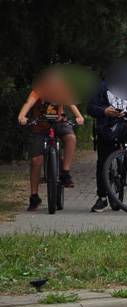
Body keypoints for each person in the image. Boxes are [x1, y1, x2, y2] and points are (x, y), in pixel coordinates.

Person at [17, 72, 85, 211]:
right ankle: (34, 197)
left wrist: (79, 117)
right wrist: (22, 116)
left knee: (71, 138)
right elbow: (28, 103)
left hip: (58, 123)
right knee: (36, 161)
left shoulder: (63, 90)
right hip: (40, 126)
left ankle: (65, 172)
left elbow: (72, 105)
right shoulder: (38, 91)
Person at [87, 74, 127, 212]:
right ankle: (102, 197)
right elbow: (91, 108)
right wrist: (104, 111)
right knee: (103, 162)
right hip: (106, 129)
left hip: (125, 126)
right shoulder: (101, 87)